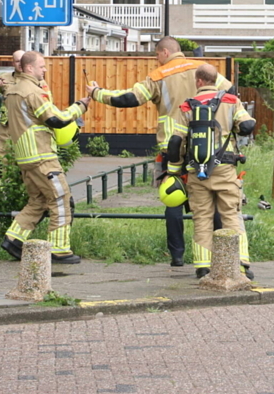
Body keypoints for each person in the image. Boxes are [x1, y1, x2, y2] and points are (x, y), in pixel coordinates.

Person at [88, 36, 231, 267]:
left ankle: (177, 257)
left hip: (172, 148)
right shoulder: (203, 70)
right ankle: (220, 255)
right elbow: (231, 92)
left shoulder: (158, 77)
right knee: (211, 200)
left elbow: (128, 99)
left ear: (165, 52)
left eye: (156, 54)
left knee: (173, 199)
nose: (156, 59)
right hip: (207, 148)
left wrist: (97, 93)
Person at [167, 63, 255, 279]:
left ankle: (203, 266)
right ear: (215, 81)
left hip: (197, 172)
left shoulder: (186, 107)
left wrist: (174, 171)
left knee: (202, 218)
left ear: (198, 81)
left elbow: (176, 142)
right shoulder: (231, 101)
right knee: (231, 215)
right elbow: (246, 126)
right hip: (225, 168)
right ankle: (240, 264)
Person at [0, 51, 90, 264]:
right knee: (60, 198)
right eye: (42, 66)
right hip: (42, 156)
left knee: (37, 200)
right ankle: (60, 249)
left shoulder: (12, 91)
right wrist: (80, 107)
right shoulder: (32, 91)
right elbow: (56, 119)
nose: (45, 70)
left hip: (25, 157)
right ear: (29, 68)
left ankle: (13, 239)